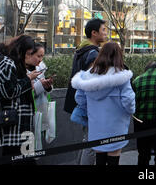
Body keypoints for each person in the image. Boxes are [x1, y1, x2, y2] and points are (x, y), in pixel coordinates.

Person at [72, 42, 135, 166]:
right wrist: (131, 111)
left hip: (95, 125)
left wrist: (89, 109)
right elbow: (129, 100)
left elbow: (79, 98)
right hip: (116, 126)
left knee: (99, 156)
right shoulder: (121, 77)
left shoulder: (87, 76)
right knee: (113, 157)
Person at [0, 35, 41, 162]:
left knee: (22, 157)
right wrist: (28, 78)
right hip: (12, 122)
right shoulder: (6, 62)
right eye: (29, 53)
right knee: (18, 157)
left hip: (15, 121)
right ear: (21, 50)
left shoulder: (5, 59)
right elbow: (9, 91)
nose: (29, 56)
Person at [64, 18, 107, 165]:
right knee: (92, 142)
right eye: (103, 30)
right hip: (91, 102)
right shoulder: (93, 53)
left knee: (87, 139)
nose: (106, 33)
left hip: (81, 100)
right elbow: (93, 80)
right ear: (94, 33)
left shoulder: (81, 50)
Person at [26, 43, 54, 140]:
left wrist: (47, 86)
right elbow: (28, 93)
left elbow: (44, 90)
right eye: (38, 56)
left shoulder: (41, 67)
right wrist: (40, 85)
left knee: (39, 141)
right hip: (29, 112)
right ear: (29, 54)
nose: (40, 59)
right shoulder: (22, 70)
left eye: (42, 56)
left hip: (41, 108)